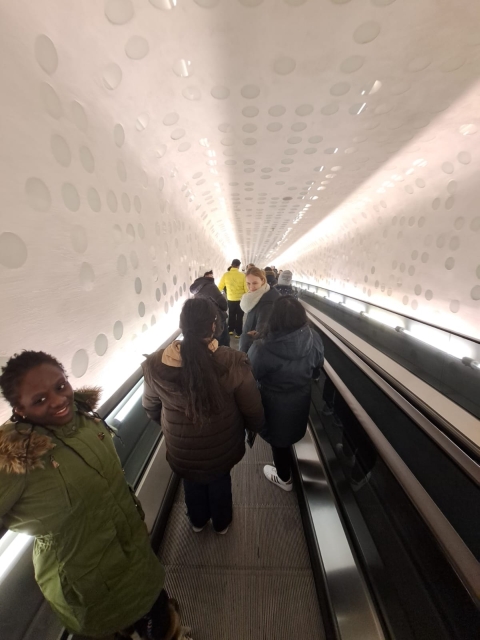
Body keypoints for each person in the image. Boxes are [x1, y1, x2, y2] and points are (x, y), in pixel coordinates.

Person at [0, 351, 186, 640]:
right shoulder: (14, 460)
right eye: (39, 400)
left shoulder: (86, 420)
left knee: (157, 614)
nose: (59, 400)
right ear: (20, 410)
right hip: (86, 578)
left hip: (132, 550)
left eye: (61, 386)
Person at [142, 298, 264, 535]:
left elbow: (151, 407)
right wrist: (255, 427)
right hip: (222, 445)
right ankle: (222, 523)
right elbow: (251, 406)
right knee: (220, 481)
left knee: (191, 482)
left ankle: (197, 521)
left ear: (181, 324)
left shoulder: (156, 364)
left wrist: (169, 427)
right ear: (213, 326)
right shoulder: (232, 361)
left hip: (181, 446)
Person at [248, 297, 324, 491]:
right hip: (301, 398)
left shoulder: (261, 347)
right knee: (289, 432)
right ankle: (285, 468)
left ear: (274, 319)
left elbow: (249, 376)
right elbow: (317, 369)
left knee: (278, 440)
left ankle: (284, 478)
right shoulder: (313, 337)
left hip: (272, 403)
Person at [239, 267, 280, 353]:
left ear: (263, 281)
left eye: (255, 283)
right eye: (248, 283)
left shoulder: (267, 303)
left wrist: (245, 341)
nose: (251, 287)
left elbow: (261, 333)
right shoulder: (256, 296)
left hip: (253, 347)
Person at [190, 268, 229, 347]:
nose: (211, 276)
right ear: (204, 276)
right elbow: (223, 304)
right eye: (209, 274)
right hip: (217, 317)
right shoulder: (210, 286)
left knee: (212, 342)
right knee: (223, 341)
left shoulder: (197, 287)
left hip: (205, 319)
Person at [218, 259, 248, 338]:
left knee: (231, 314)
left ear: (231, 264)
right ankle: (238, 333)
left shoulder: (226, 275)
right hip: (240, 299)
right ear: (239, 265)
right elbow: (246, 288)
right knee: (239, 316)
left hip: (231, 298)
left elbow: (220, 286)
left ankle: (230, 330)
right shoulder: (242, 275)